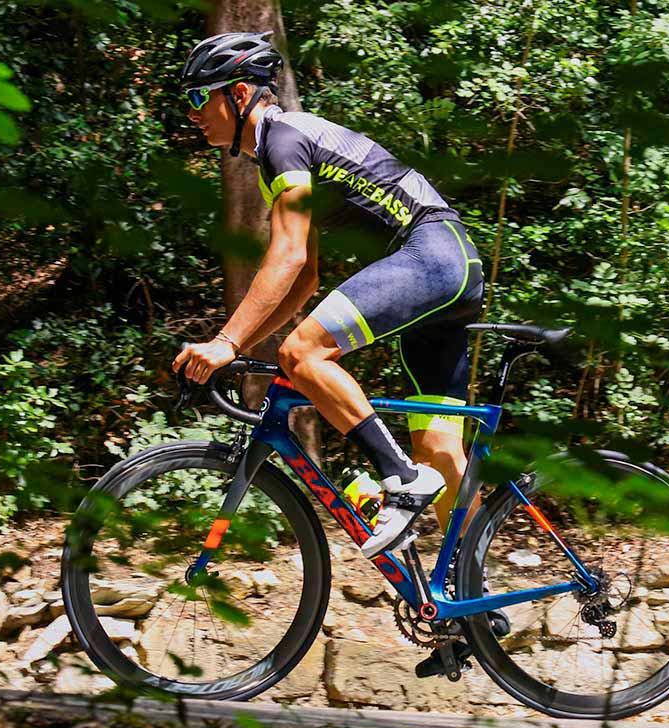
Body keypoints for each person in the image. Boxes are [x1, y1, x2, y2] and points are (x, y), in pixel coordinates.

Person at [172, 30, 485, 561]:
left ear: (240, 94)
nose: (193, 113)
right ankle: (471, 605)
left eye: (200, 97)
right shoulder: (284, 147)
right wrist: (246, 343)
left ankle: (400, 479)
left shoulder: (281, 138)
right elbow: (306, 276)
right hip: (450, 267)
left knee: (303, 353)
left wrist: (226, 343)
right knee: (442, 453)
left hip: (430, 254)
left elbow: (288, 255)